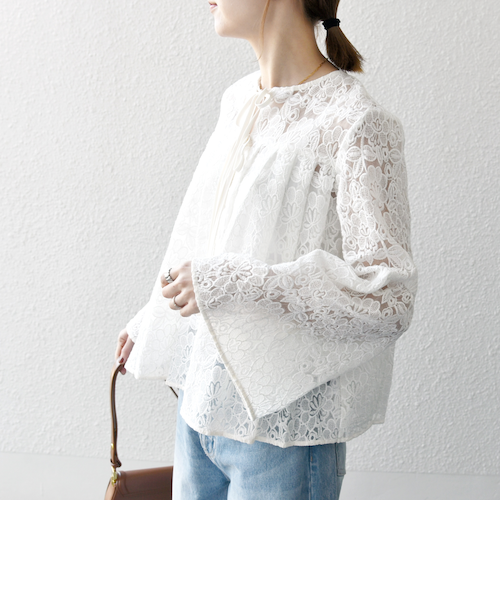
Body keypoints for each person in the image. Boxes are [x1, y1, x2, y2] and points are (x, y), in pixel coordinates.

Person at [115, 0, 418, 500]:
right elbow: (211, 233)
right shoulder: (238, 99)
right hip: (198, 410)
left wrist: (230, 282)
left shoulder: (356, 122)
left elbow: (389, 297)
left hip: (282, 436)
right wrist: (156, 313)